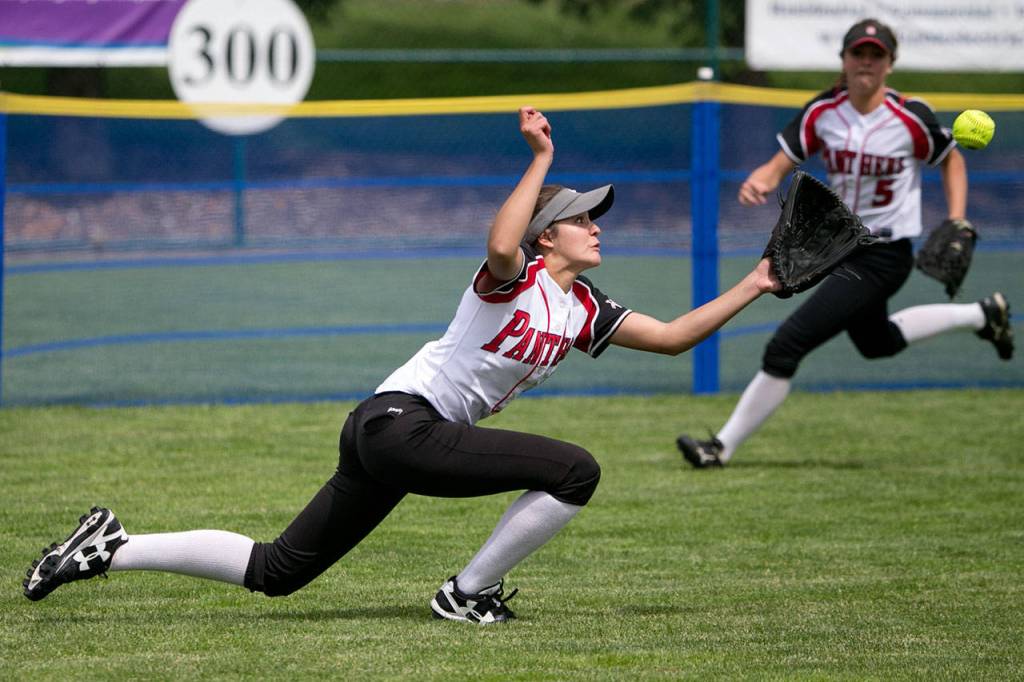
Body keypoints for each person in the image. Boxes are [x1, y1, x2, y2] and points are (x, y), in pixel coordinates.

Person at [24, 106, 782, 624]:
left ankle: (111, 548)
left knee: (278, 571)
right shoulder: (514, 277)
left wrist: (756, 283)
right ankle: (466, 594)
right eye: (582, 218)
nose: (595, 227)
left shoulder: (585, 310)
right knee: (575, 470)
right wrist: (542, 158)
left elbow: (678, 335)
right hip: (400, 423)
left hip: (386, 432)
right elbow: (498, 245)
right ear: (548, 235)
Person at [676, 18, 1014, 470]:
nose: (867, 62)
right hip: (839, 248)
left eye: (876, 55)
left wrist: (957, 219)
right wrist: (764, 176)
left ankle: (720, 447)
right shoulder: (825, 112)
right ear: (844, 59)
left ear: (890, 64)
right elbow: (783, 159)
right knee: (877, 343)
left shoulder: (910, 115)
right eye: (859, 53)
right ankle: (983, 314)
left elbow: (950, 158)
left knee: (786, 345)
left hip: (884, 253)